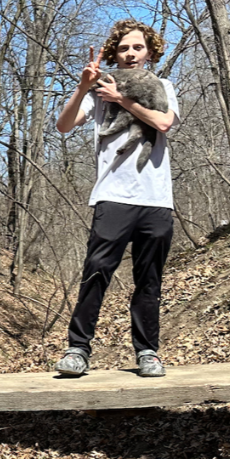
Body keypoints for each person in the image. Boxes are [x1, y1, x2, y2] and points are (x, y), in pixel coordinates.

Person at [54, 19, 180, 378]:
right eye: (124, 48)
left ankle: (148, 352)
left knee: (149, 280)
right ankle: (78, 349)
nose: (130, 53)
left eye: (137, 47)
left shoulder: (163, 85)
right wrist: (83, 87)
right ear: (115, 53)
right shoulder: (99, 89)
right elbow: (64, 126)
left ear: (150, 52)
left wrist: (123, 100)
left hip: (156, 199)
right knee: (96, 273)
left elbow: (164, 123)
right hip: (112, 195)